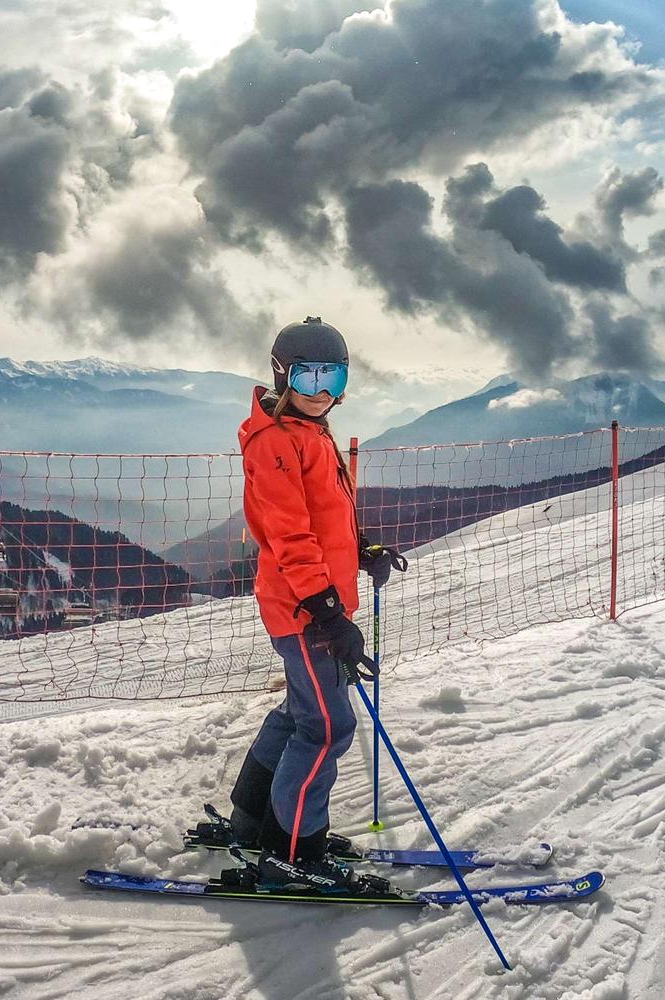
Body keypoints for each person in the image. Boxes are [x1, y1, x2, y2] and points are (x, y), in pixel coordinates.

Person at [228, 316, 407, 891]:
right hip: (303, 610)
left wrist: (360, 549)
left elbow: (324, 521)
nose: (323, 391)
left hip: (314, 604)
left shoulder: (312, 431)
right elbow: (290, 537)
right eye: (308, 378)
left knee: (301, 715)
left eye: (334, 376)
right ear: (283, 375)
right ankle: (293, 852)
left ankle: (253, 822)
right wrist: (328, 613)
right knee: (328, 727)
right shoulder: (275, 443)